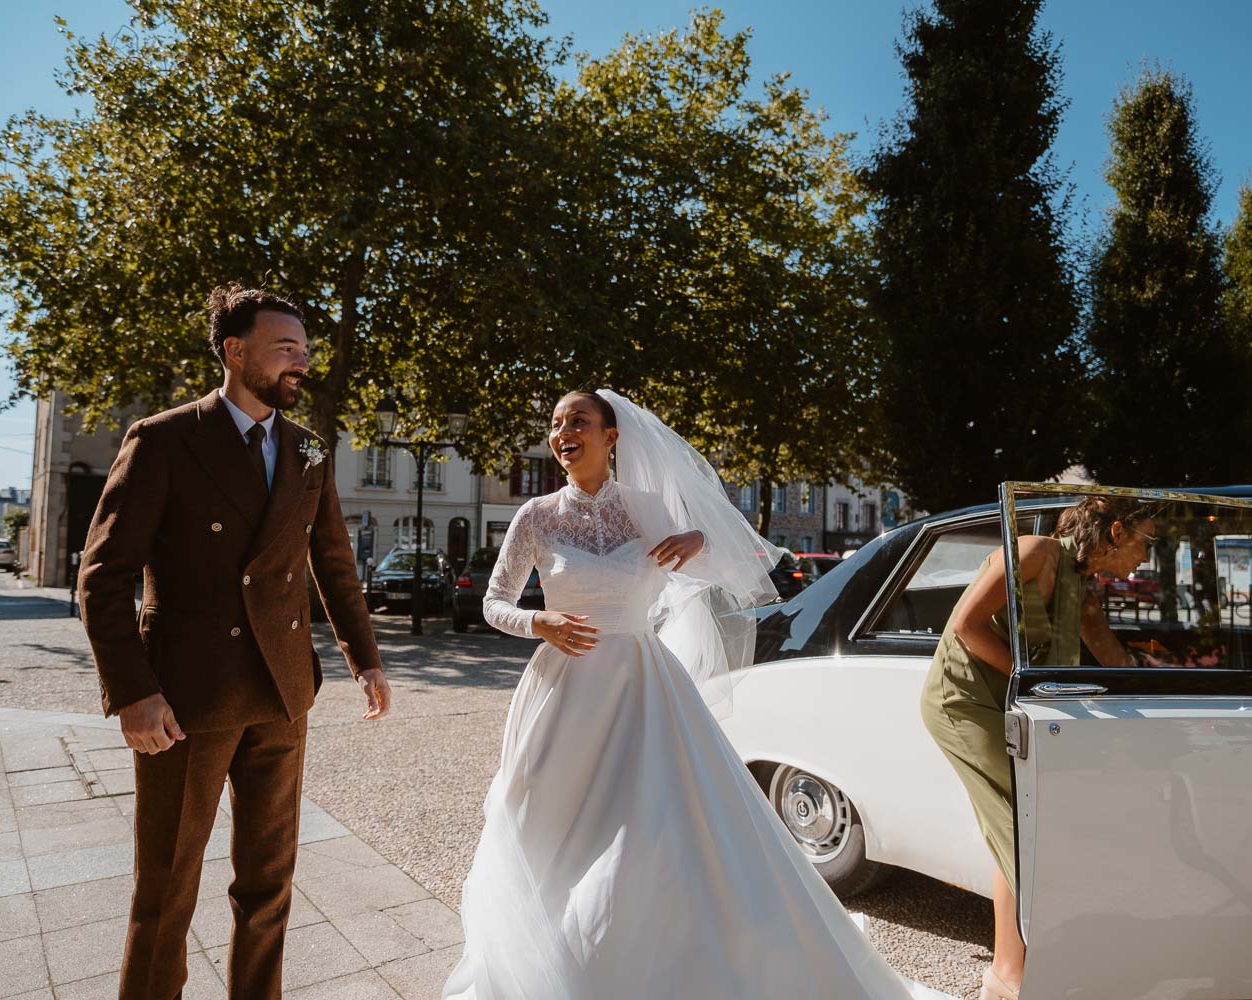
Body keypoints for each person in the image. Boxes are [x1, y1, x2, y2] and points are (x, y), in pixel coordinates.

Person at [441, 389, 937, 999]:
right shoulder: (536, 516)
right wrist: (536, 623)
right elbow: (494, 602)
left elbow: (727, 553)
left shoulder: (648, 508)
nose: (563, 432)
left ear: (611, 435)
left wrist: (696, 539)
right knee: (545, 828)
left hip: (645, 689)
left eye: (579, 421)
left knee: (653, 825)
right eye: (555, 424)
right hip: (563, 693)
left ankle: (645, 954)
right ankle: (552, 958)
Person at [79, 283, 392, 1000]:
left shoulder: (308, 450)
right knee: (166, 888)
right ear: (234, 351)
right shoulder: (162, 439)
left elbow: (334, 562)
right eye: (286, 349)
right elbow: (103, 576)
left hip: (282, 694)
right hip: (184, 701)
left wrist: (365, 657)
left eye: (305, 351)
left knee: (270, 883)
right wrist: (133, 691)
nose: (300, 363)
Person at [920, 495, 1157, 1000]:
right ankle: (1024, 970)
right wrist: (1032, 682)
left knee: (1023, 825)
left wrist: (1172, 687)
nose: (1146, 557)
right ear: (1116, 532)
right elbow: (965, 625)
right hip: (962, 702)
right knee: (1029, 828)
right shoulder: (1033, 551)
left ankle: (1008, 972)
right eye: (1145, 542)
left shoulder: (1081, 589)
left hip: (1008, 708)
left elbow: (1112, 658)